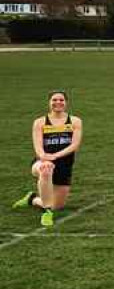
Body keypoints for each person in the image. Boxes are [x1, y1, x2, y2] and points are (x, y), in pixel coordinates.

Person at [11, 91, 83, 227]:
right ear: (49, 102)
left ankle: (32, 199)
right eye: (54, 100)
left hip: (64, 165)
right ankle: (47, 213)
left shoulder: (75, 121)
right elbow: (38, 146)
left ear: (66, 102)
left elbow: (74, 145)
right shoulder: (40, 122)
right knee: (46, 169)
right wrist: (44, 157)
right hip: (42, 162)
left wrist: (56, 155)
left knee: (58, 205)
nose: (58, 103)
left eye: (61, 100)